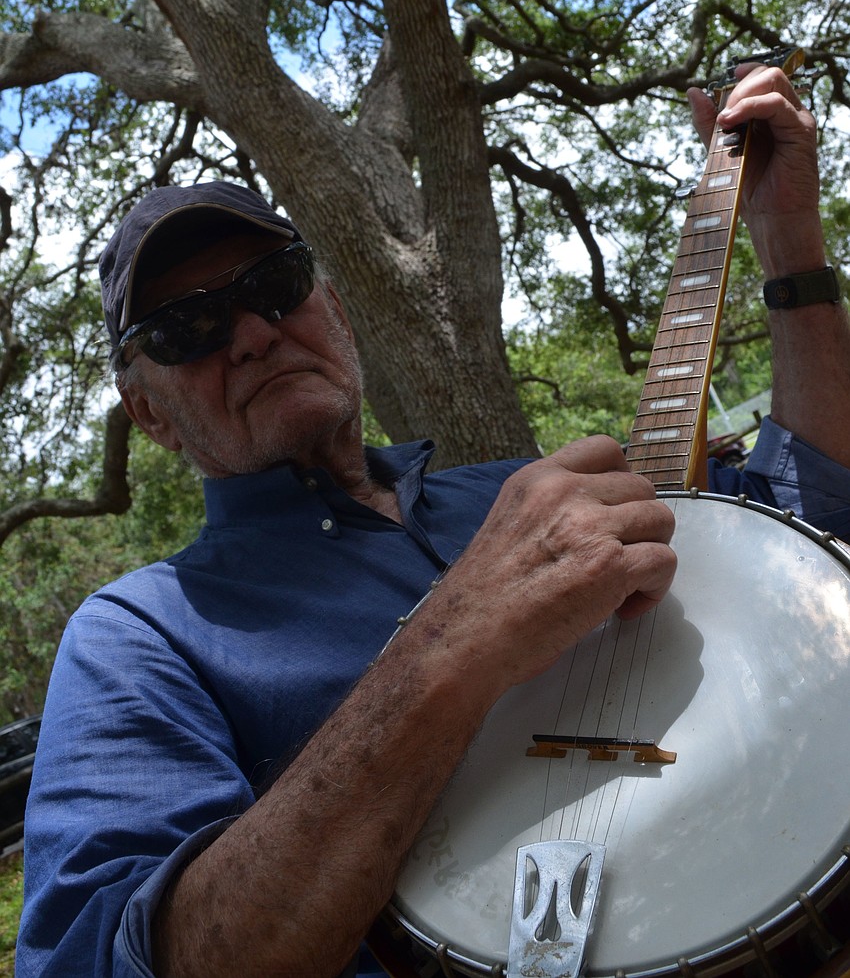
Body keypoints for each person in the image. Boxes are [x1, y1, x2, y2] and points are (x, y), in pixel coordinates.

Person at [17, 64, 850, 978]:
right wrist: (453, 639)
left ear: (331, 307)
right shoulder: (138, 636)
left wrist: (788, 245)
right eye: (189, 327)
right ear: (150, 415)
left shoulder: (515, 495)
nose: (251, 333)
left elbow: (801, 538)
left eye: (275, 282)